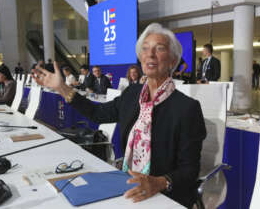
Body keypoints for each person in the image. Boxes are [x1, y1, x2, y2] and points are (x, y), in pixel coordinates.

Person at [32, 22, 206, 208]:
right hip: (127, 185)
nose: (150, 54)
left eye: (159, 48)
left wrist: (159, 182)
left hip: (162, 195)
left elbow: (190, 169)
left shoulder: (187, 108)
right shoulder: (132, 94)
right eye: (145, 49)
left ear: (172, 61)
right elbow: (97, 113)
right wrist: (62, 87)